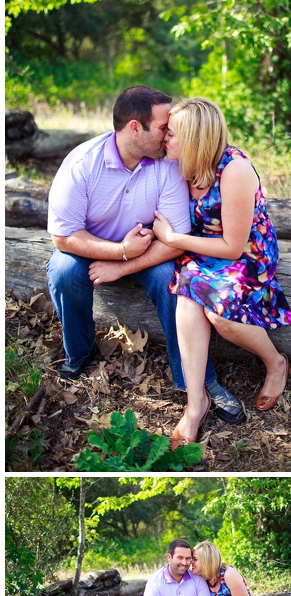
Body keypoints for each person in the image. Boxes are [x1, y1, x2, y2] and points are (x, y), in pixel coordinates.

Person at [46, 85, 246, 425]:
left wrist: (125, 264)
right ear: (135, 128)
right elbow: (64, 237)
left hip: (148, 250)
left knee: (172, 279)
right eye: (163, 128)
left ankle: (198, 381)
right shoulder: (82, 165)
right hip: (92, 248)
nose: (169, 136)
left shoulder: (166, 164)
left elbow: (176, 241)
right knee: (64, 272)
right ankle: (79, 353)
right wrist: (119, 251)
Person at [151, 97, 291, 448]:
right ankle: (195, 402)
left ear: (194, 137)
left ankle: (275, 362)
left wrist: (173, 238)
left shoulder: (235, 170)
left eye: (171, 133)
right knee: (187, 298)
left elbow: (233, 246)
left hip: (245, 253)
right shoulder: (180, 165)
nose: (164, 139)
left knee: (223, 318)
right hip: (202, 251)